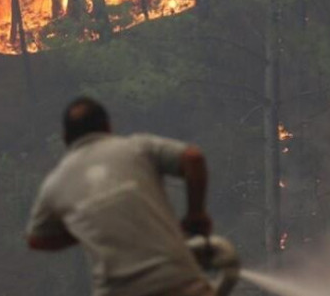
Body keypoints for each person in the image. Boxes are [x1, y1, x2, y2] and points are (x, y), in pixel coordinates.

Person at [25, 96, 215, 296]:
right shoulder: (138, 148)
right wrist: (196, 213)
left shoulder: (56, 182)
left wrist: (87, 223)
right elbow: (193, 158)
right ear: (108, 126)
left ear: (65, 138)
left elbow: (36, 239)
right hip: (178, 280)